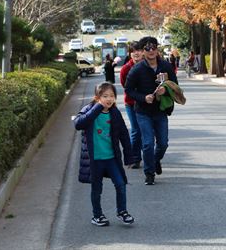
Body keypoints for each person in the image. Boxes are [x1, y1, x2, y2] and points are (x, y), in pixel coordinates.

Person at [74, 82, 136, 227]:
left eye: (112, 96)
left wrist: (129, 156)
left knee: (120, 184)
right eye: (105, 96)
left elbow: (124, 135)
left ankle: (122, 212)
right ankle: (97, 215)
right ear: (97, 97)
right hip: (94, 159)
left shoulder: (114, 113)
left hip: (111, 158)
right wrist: (97, 108)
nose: (109, 99)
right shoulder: (89, 109)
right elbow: (78, 124)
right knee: (97, 188)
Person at [124, 36, 178, 185]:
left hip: (160, 111)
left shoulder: (166, 66)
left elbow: (175, 86)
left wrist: (165, 91)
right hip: (143, 112)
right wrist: (143, 97)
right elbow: (128, 89)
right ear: (143, 51)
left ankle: (155, 160)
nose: (151, 50)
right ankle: (149, 173)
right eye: (147, 48)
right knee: (147, 143)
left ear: (157, 49)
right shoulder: (137, 69)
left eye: (154, 47)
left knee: (163, 143)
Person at [119, 41, 144, 169]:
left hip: (146, 104)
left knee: (146, 130)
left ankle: (150, 156)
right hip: (131, 104)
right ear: (130, 53)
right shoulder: (125, 69)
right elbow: (125, 86)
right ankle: (135, 158)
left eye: (139, 50)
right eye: (133, 51)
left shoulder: (148, 66)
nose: (136, 53)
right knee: (136, 130)